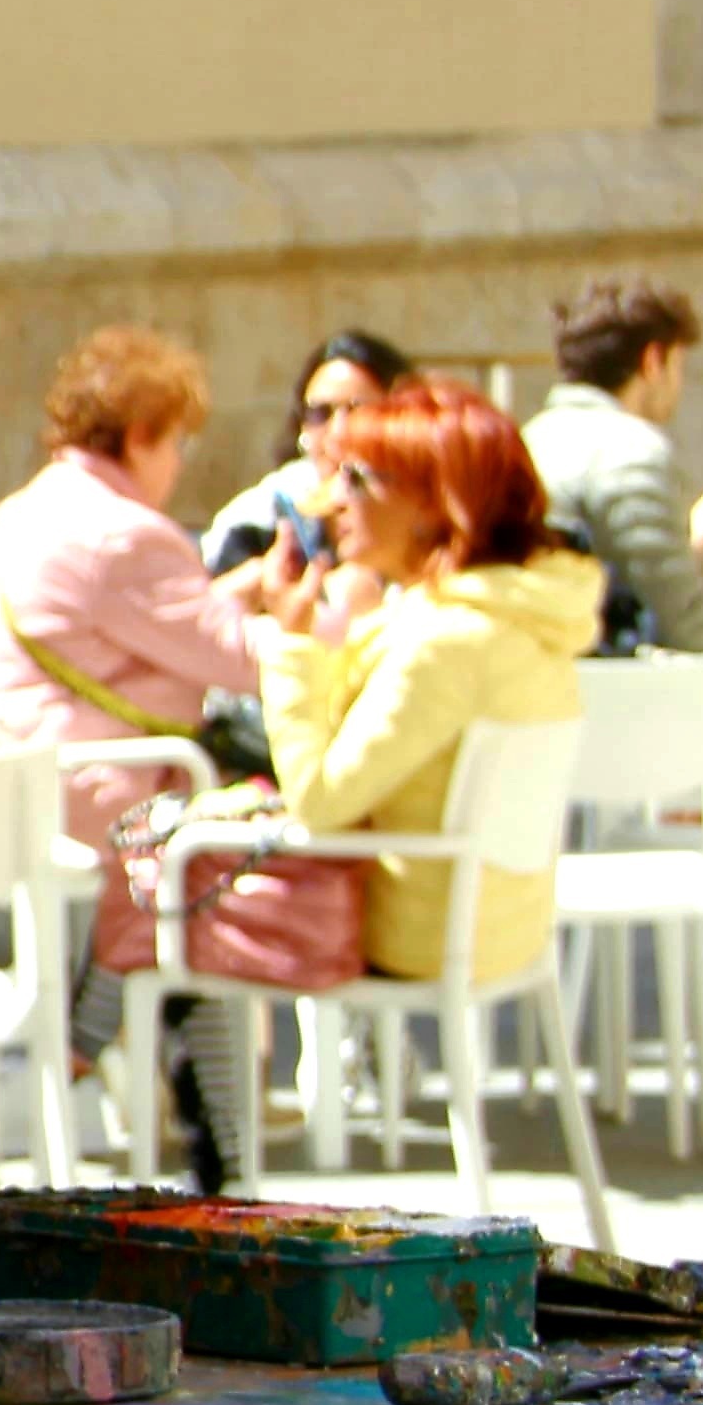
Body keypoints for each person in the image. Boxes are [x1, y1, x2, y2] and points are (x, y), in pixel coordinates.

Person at [0, 326, 256, 1160]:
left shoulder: (24, 512)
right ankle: (214, 1146)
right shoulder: (126, 534)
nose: (180, 462)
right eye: (179, 440)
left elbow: (132, 643)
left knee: (191, 864)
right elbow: (239, 658)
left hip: (7, 785)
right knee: (210, 874)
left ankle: (78, 1059)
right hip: (99, 794)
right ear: (144, 434)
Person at [255, 383, 601, 983]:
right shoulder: (520, 608)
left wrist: (291, 642)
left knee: (173, 903)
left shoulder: (446, 640)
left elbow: (318, 801)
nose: (333, 500)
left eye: (358, 479)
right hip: (500, 925)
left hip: (421, 934)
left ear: (436, 505)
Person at [526, 277, 703, 654]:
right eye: (678, 365)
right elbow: (677, 619)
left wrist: (693, 534)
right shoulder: (628, 451)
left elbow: (612, 576)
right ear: (654, 359)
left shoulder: (533, 437)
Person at [203, 328, 417, 581]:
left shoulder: (424, 514)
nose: (338, 433)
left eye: (359, 412)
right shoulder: (257, 522)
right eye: (320, 414)